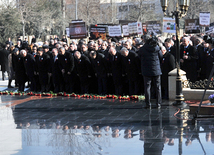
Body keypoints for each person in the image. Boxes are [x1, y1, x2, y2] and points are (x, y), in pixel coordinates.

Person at [138, 35, 162, 109]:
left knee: (147, 87)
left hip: (146, 70)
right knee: (158, 87)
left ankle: (148, 104)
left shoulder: (142, 49)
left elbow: (139, 57)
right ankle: (158, 104)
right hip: (156, 69)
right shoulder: (156, 48)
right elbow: (161, 56)